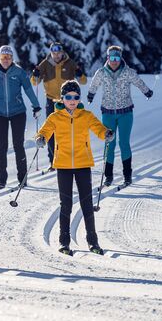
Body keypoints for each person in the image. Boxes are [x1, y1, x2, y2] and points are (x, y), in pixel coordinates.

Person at [35, 80, 114, 256]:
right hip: (63, 165)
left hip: (83, 163)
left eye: (76, 97)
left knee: (87, 203)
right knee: (66, 204)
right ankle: (64, 242)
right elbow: (44, 131)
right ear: (62, 98)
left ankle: (93, 241)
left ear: (79, 99)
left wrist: (106, 133)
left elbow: (98, 129)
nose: (72, 100)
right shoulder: (55, 117)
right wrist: (41, 138)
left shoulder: (86, 116)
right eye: (69, 97)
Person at [86, 45, 154, 187]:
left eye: (117, 58)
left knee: (124, 143)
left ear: (121, 58)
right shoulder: (101, 72)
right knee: (109, 143)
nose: (114, 61)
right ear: (108, 58)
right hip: (108, 114)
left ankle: (127, 175)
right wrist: (91, 95)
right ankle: (108, 176)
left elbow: (138, 82)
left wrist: (146, 91)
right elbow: (94, 84)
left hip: (125, 113)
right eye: (112, 58)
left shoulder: (128, 72)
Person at [0, 45, 41, 189]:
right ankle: (2, 180)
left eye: (8, 57)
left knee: (18, 145)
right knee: (1, 146)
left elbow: (28, 90)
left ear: (12, 58)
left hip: (18, 112)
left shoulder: (19, 72)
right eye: (3, 57)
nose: (6, 60)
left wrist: (36, 106)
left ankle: (22, 179)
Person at [31, 41, 87, 168]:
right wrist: (35, 75)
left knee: (68, 131)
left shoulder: (70, 63)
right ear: (51, 53)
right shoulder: (45, 64)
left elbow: (83, 81)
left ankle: (70, 159)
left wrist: (79, 74)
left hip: (68, 103)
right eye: (53, 53)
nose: (56, 55)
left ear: (62, 52)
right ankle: (53, 161)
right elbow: (34, 82)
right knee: (51, 130)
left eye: (58, 53)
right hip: (51, 101)